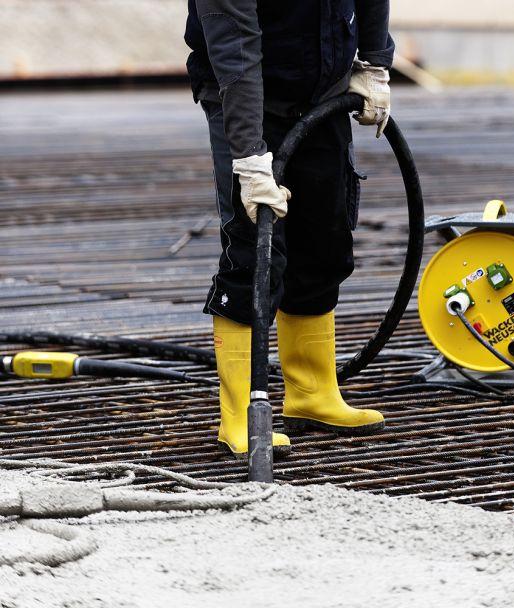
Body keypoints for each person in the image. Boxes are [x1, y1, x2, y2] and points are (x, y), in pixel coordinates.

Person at [185, 0, 393, 457]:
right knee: (254, 249)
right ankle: (241, 415)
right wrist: (248, 156)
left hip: (324, 90)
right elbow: (235, 44)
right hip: (243, 95)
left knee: (324, 241)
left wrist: (373, 62)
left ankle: (312, 393)